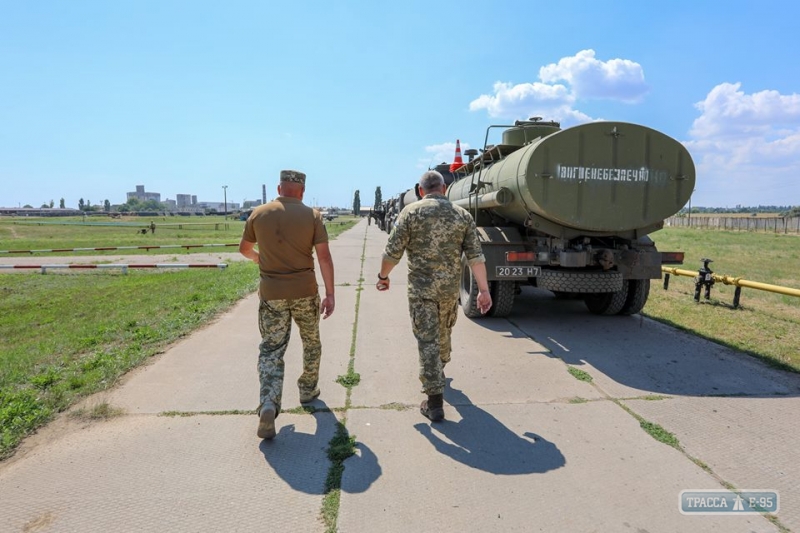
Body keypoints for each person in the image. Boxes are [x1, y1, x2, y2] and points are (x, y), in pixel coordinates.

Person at [376, 170, 491, 422]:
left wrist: (383, 277)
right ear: (444, 189)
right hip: (449, 292)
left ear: (420, 191)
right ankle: (440, 368)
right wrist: (483, 290)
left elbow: (391, 253)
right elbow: (475, 257)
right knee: (443, 333)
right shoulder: (462, 215)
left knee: (427, 341)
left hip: (421, 292)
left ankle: (435, 401)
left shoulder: (411, 213)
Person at [239, 169, 335, 440]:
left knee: (271, 349)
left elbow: (244, 249)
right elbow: (324, 258)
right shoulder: (313, 216)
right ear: (302, 191)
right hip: (305, 291)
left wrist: (260, 259)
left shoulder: (258, 214)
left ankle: (269, 402)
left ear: (279, 188)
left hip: (272, 294)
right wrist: (330, 293)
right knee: (311, 341)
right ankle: (307, 390)